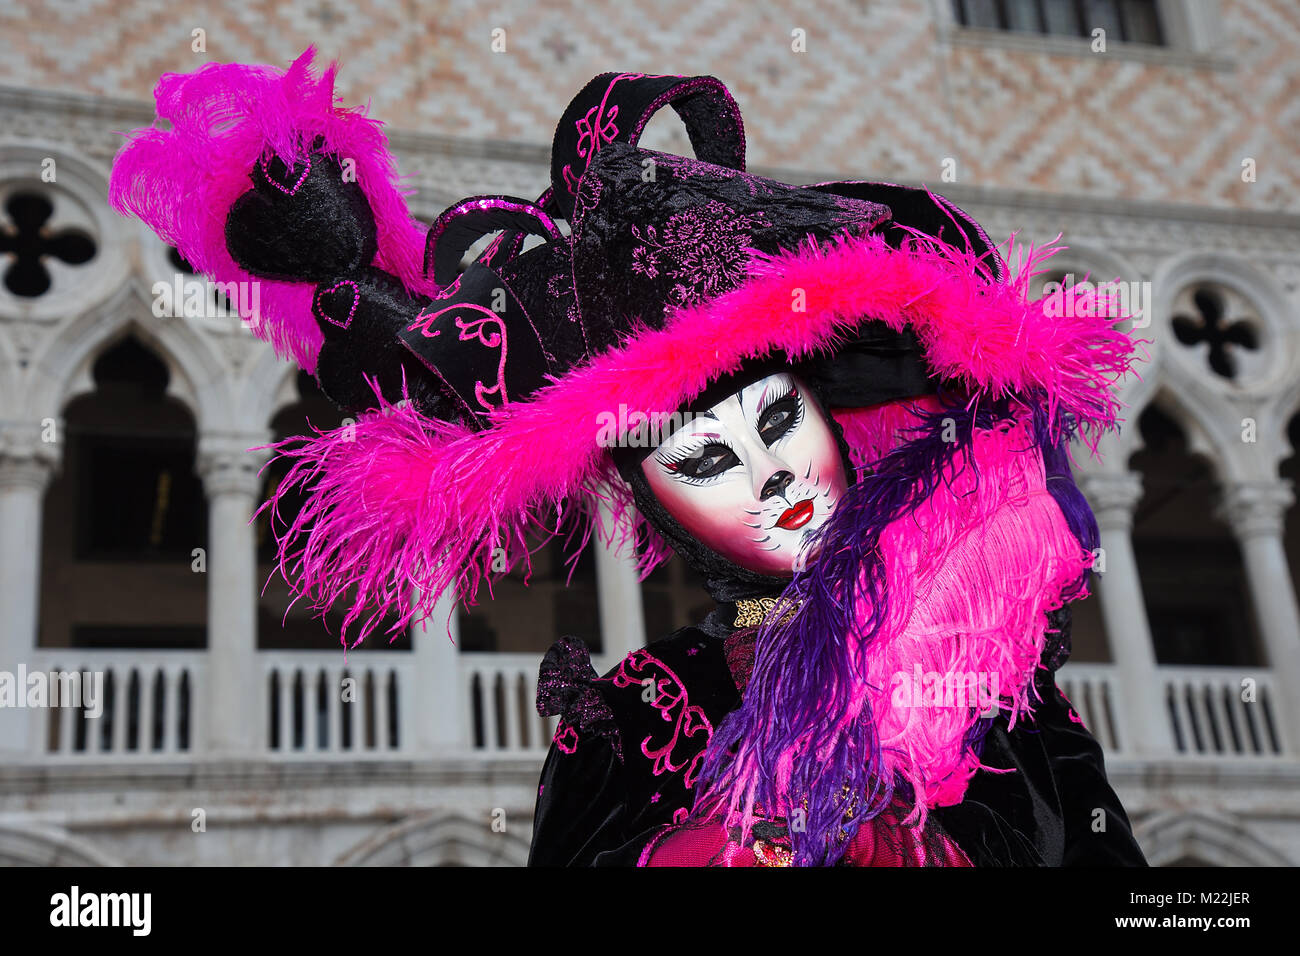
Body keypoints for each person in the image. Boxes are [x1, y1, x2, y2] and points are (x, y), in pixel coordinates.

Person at [108, 51, 1147, 867]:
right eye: (704, 462)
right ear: (659, 507)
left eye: (778, 427)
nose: (770, 478)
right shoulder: (641, 714)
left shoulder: (995, 687)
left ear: (833, 419)